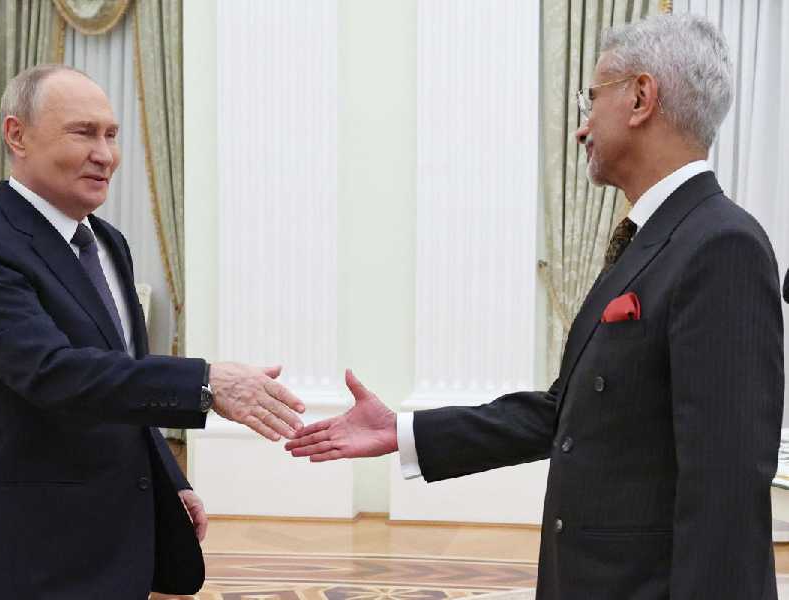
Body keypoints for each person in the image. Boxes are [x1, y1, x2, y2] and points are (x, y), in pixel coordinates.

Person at [287, 14, 783, 599]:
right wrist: (403, 430)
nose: (582, 127)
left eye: (590, 99)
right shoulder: (655, 240)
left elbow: (725, 485)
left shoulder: (721, 245)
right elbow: (562, 413)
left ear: (641, 98)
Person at [0, 64, 306, 599]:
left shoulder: (108, 243)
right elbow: (53, 373)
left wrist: (168, 478)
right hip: (26, 547)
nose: (105, 154)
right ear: (17, 135)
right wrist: (206, 383)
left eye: (111, 135)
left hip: (116, 539)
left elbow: (121, 373)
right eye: (83, 132)